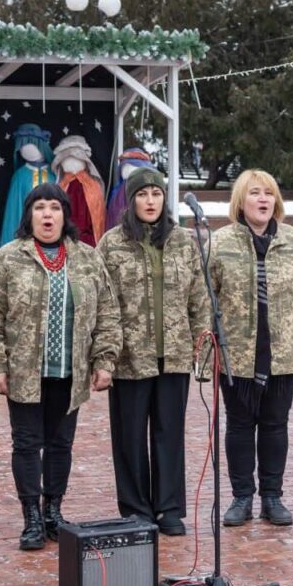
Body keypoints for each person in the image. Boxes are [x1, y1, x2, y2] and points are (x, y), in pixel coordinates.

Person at [0, 183, 121, 551]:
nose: (47, 215)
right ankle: (30, 518)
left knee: (60, 444)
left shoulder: (87, 258)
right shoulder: (10, 257)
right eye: (40, 208)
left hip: (69, 372)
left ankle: (53, 511)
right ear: (29, 215)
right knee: (27, 443)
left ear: (65, 215)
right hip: (25, 371)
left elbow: (107, 311)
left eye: (55, 208)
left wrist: (105, 359)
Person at [97, 168, 211, 536]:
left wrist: (203, 351)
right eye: (143, 194)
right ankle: (135, 507)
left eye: (157, 194)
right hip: (130, 357)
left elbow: (199, 298)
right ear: (130, 201)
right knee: (130, 435)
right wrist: (105, 356)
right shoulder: (112, 244)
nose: (150, 201)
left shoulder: (182, 240)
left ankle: (169, 507)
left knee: (169, 432)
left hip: (174, 355)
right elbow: (102, 302)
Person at [208, 169, 293, 527]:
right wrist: (207, 352)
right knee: (240, 426)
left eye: (269, 193)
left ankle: (272, 496)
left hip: (281, 350)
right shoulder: (220, 242)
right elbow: (205, 299)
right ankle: (242, 497)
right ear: (240, 201)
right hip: (236, 354)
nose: (263, 200)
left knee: (275, 426)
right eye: (255, 193)